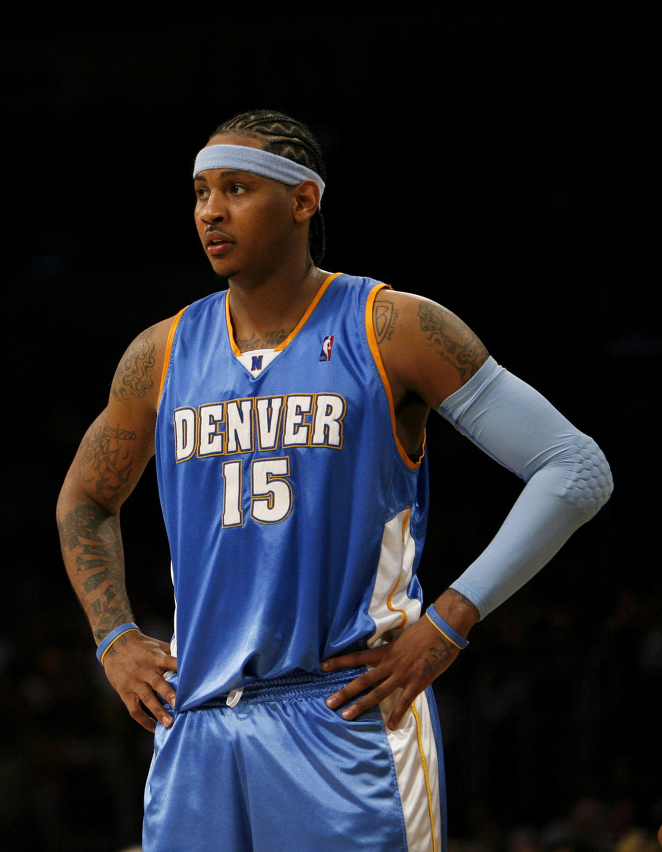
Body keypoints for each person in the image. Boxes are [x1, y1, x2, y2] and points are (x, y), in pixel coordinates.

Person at [55, 109, 613, 851]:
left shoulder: (392, 328)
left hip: (345, 715)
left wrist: (450, 620)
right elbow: (86, 500)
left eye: (237, 188)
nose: (211, 211)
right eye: (200, 192)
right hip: (197, 722)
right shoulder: (159, 354)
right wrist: (115, 637)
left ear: (303, 199)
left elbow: (575, 467)